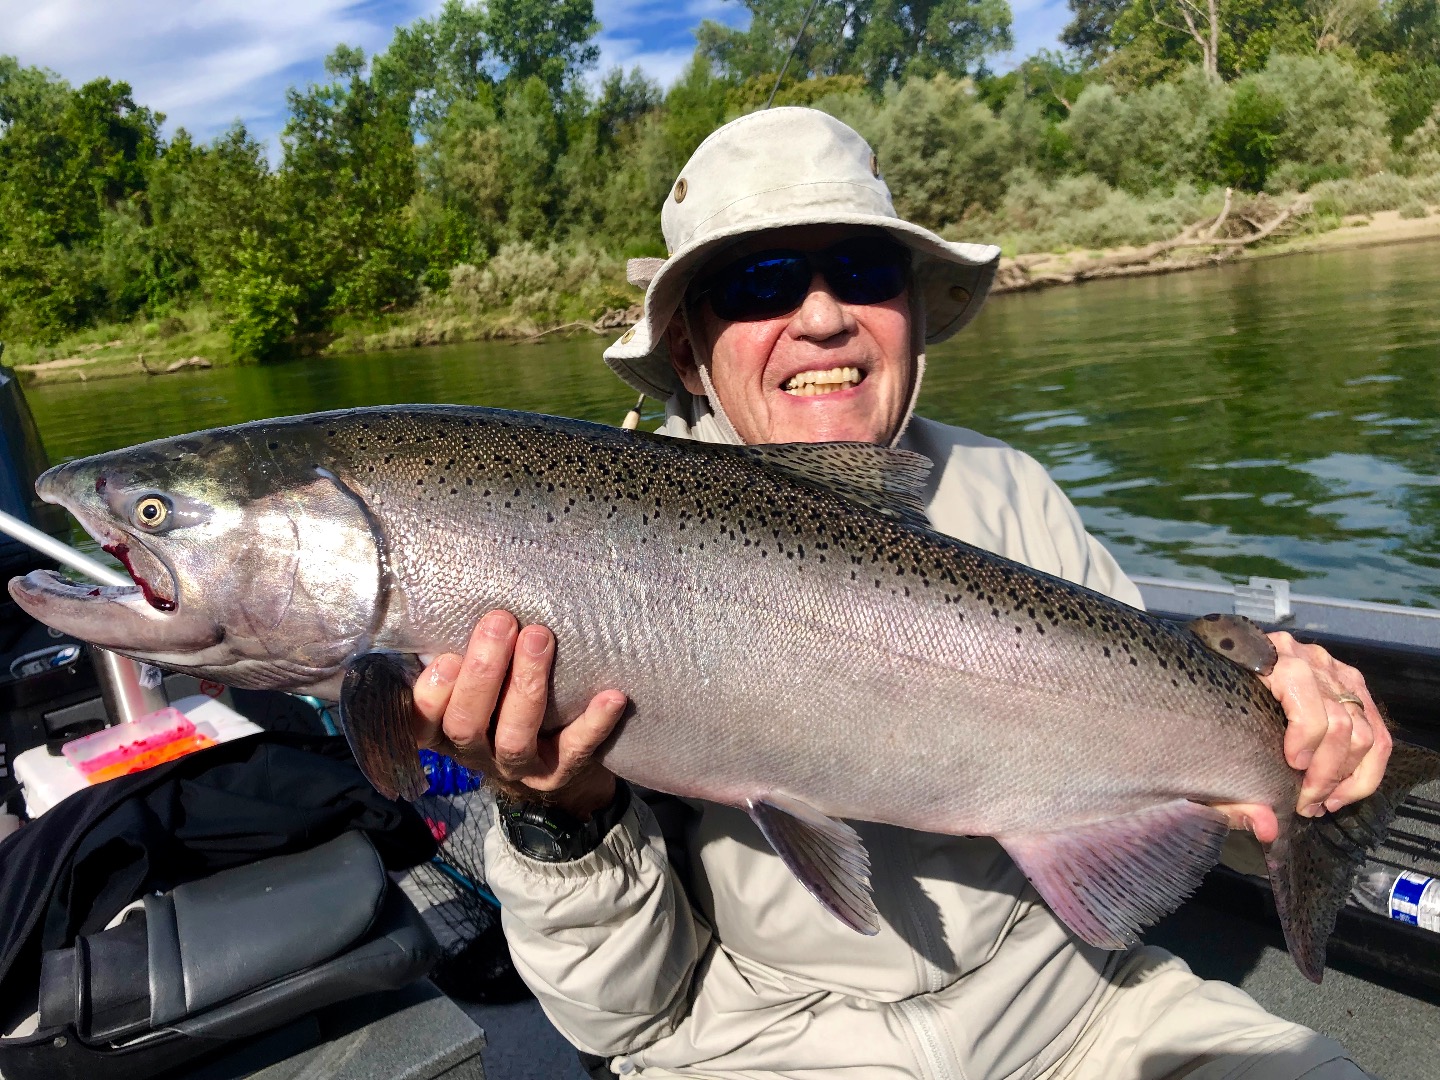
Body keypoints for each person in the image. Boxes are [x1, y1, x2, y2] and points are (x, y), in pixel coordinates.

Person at [410, 108, 1389, 1079]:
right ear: (686, 354)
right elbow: (620, 1021)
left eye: (867, 273)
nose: (824, 315)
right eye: (759, 282)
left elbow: (1200, 802)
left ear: (915, 312)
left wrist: (1303, 735)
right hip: (768, 1053)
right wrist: (559, 817)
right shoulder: (563, 547)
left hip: (1086, 1016)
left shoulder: (1009, 490)